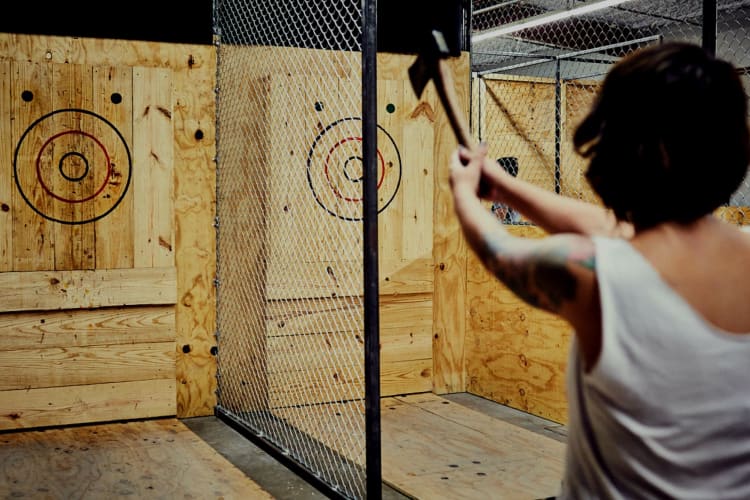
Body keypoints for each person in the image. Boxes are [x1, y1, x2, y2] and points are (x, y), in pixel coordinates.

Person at [449, 41, 750, 499]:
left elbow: (497, 248)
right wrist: (504, 186)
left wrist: (465, 194)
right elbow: (616, 232)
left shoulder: (597, 276)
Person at [491, 156, 523, 224]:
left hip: (502, 226)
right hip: (513, 224)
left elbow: (500, 215)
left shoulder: (502, 188)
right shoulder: (514, 186)